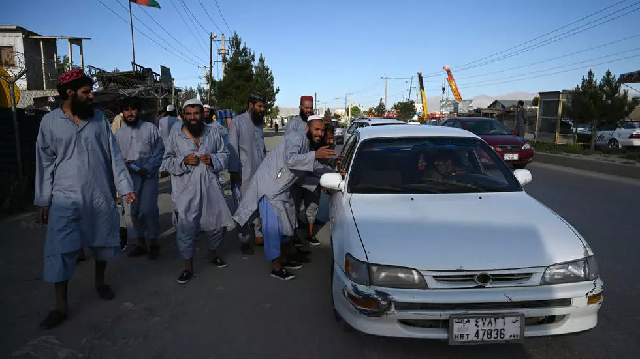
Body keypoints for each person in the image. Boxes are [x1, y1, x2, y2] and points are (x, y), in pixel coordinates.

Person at [34, 69, 136, 329]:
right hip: (64, 197)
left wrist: (124, 186)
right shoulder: (50, 123)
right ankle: (60, 305)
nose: (91, 96)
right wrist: (44, 200)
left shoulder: (99, 119)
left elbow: (113, 155)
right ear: (70, 93)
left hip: (99, 192)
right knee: (61, 248)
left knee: (102, 240)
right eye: (86, 92)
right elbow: (44, 164)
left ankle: (100, 283)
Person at [233, 118, 336, 280]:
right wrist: (315, 154)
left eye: (322, 131)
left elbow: (314, 166)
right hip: (270, 188)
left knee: (286, 226)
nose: (320, 133)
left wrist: (335, 174)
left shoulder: (308, 145)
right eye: (317, 129)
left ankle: (284, 258)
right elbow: (291, 160)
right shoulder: (297, 138)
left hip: (283, 188)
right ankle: (276, 267)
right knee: (273, 230)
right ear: (308, 129)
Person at [162, 98, 235, 284]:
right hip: (185, 191)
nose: (193, 118)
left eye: (196, 114)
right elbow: (166, 161)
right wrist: (183, 161)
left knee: (217, 224)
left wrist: (212, 159)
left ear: (203, 114)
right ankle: (188, 266)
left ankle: (212, 253)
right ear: (183, 115)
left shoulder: (212, 132)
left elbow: (224, 154)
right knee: (185, 228)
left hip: (210, 187)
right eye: (189, 114)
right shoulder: (175, 135)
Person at [115, 96, 165, 259]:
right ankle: (141, 244)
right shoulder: (118, 133)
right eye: (126, 109)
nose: (130, 113)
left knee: (148, 210)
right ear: (122, 113)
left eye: (133, 109)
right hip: (128, 179)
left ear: (139, 111)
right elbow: (114, 157)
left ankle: (154, 243)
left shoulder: (150, 128)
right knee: (131, 212)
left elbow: (159, 151)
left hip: (148, 176)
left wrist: (147, 167)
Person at [228, 91, 267, 255]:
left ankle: (258, 234)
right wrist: (233, 171)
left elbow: (262, 149)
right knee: (244, 207)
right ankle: (244, 241)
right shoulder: (238, 123)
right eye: (259, 106)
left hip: (259, 172)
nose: (262, 109)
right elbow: (232, 148)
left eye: (263, 106)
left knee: (259, 205)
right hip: (243, 174)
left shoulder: (259, 124)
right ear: (251, 105)